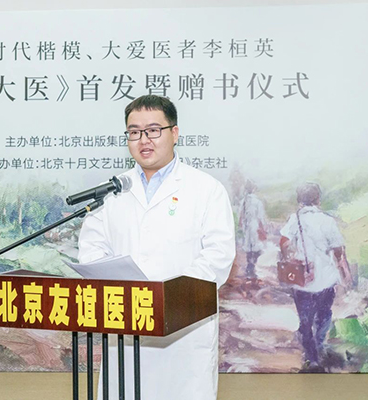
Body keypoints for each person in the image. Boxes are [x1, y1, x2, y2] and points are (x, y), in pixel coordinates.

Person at [78, 95, 236, 400]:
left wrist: (167, 297)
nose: (143, 140)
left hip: (184, 328)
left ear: (174, 133)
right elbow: (92, 249)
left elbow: (218, 257)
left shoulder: (206, 189)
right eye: (134, 132)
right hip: (125, 321)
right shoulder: (113, 190)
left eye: (153, 130)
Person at [279, 182, 351, 373]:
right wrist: (343, 269)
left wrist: (289, 258)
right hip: (326, 278)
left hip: (302, 280)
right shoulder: (327, 221)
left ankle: (311, 358)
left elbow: (284, 242)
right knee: (324, 314)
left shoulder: (295, 219)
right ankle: (319, 344)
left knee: (305, 320)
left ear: (299, 199)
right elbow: (338, 250)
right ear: (318, 199)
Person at [238, 179, 268, 283]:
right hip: (255, 226)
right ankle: (253, 266)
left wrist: (242, 227)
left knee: (249, 248)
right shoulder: (258, 202)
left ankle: (249, 267)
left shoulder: (243, 201)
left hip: (247, 227)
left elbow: (240, 217)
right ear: (254, 188)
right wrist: (263, 228)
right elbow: (260, 217)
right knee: (256, 248)